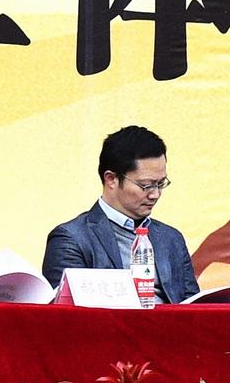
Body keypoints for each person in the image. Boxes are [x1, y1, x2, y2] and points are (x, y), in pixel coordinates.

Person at [41, 124, 198, 301]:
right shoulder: (72, 238)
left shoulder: (171, 238)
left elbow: (194, 307)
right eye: (146, 185)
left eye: (161, 184)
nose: (155, 194)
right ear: (111, 179)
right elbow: (65, 312)